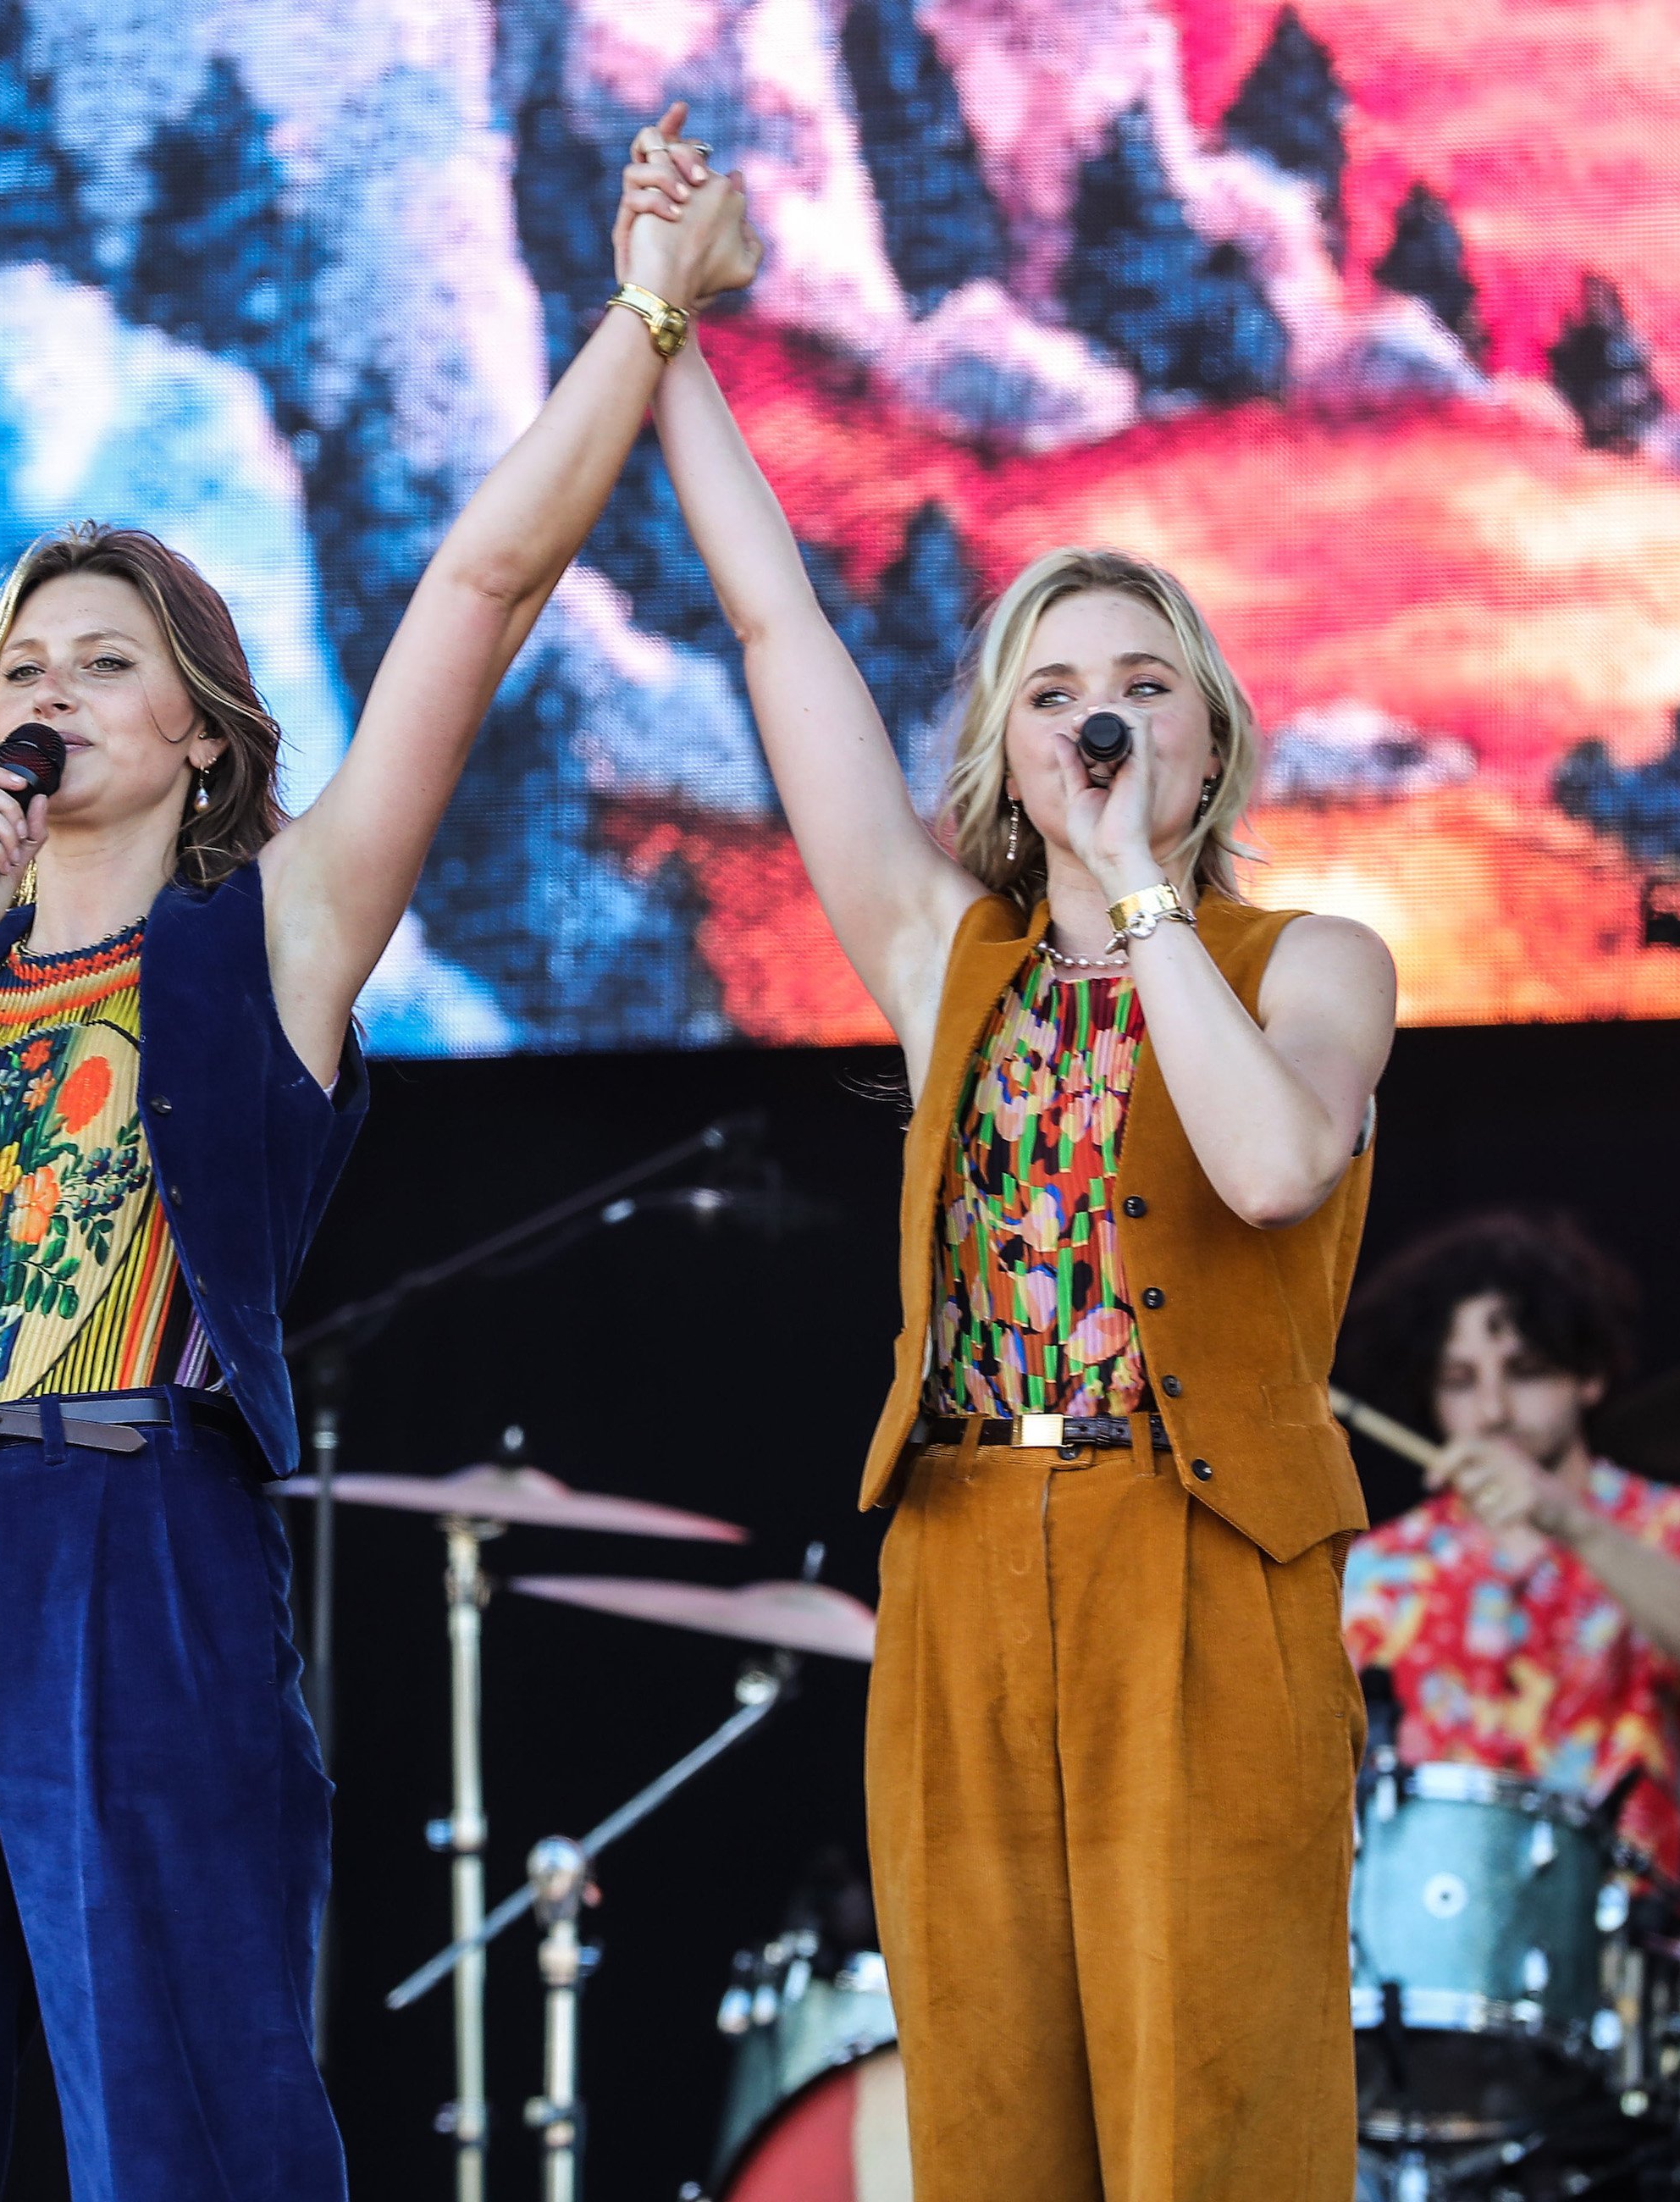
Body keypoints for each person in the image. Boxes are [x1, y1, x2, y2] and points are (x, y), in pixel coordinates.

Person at [0, 119, 760, 2201]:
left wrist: (648, 312)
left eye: (101, 659)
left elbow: (475, 595)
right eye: (19, 669)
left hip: (120, 1536)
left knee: (182, 2123)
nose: (50, 692)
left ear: (201, 727)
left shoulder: (265, 941)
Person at [622, 130, 1398, 2202]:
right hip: (963, 1551)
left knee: (1215, 2117)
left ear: (1209, 741)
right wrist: (665, 330)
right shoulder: (937, 950)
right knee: (989, 2134)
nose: (1098, 720)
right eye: (1052, 693)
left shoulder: (1306, 958)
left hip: (1202, 1558)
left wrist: (1140, 891)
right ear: (994, 751)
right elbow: (783, 635)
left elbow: (1262, 1166)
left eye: (1142, 687)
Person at [1333, 1209, 1680, 2198]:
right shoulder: (1382, 1566)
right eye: (1460, 1382)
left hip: (1629, 1962)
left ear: (1588, 1373)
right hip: (1419, 1966)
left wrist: (1563, 1520)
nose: (1493, 1409)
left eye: (1526, 1370)